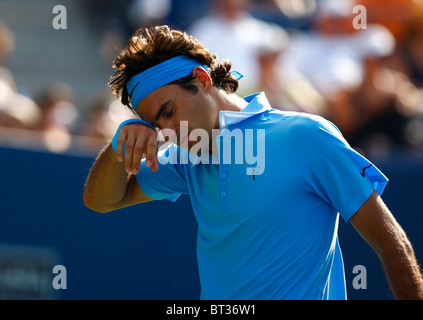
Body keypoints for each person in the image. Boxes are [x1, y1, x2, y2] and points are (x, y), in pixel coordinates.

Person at [83, 25, 423, 300]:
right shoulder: (185, 156)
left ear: (202, 80)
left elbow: (390, 240)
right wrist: (118, 145)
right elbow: (101, 200)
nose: (167, 132)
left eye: (169, 112)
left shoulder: (305, 136)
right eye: (157, 125)